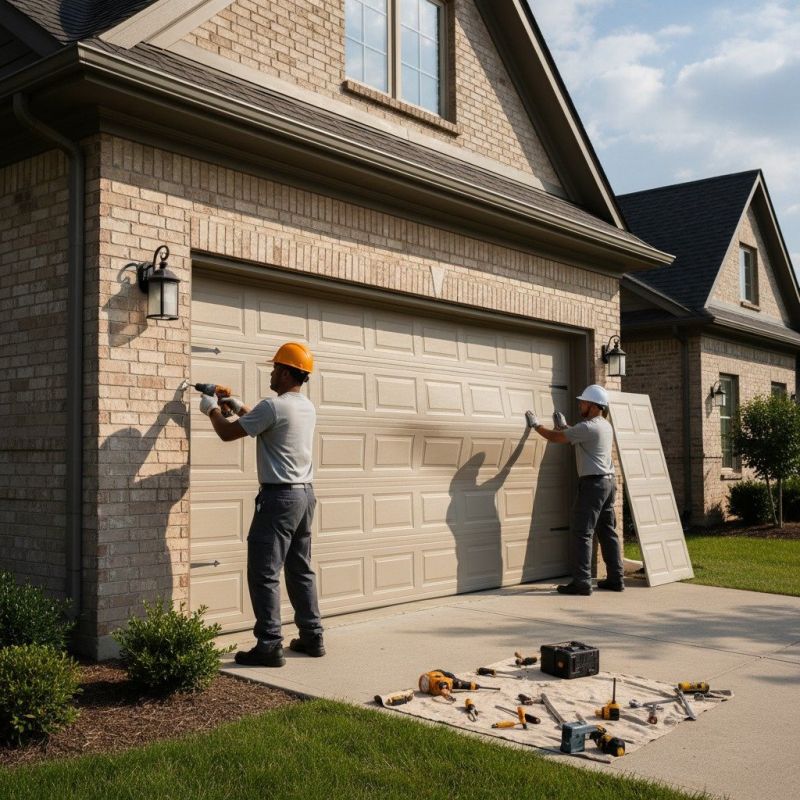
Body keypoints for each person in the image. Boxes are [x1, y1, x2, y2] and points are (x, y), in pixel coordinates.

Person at [199, 341, 324, 666]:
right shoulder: (305, 407)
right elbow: (268, 424)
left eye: (273, 368)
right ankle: (312, 636)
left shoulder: (273, 406)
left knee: (264, 572)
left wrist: (211, 408)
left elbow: (227, 434)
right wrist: (240, 408)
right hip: (304, 496)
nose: (270, 372)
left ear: (285, 372)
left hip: (278, 499)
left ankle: (269, 644)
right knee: (300, 569)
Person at [525, 384, 624, 596]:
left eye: (583, 402)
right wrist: (565, 426)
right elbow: (577, 436)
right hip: (608, 483)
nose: (580, 404)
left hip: (593, 485)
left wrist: (537, 426)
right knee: (607, 532)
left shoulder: (588, 427)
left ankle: (582, 582)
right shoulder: (604, 426)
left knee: (582, 532)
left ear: (594, 405)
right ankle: (616, 579)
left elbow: (557, 438)